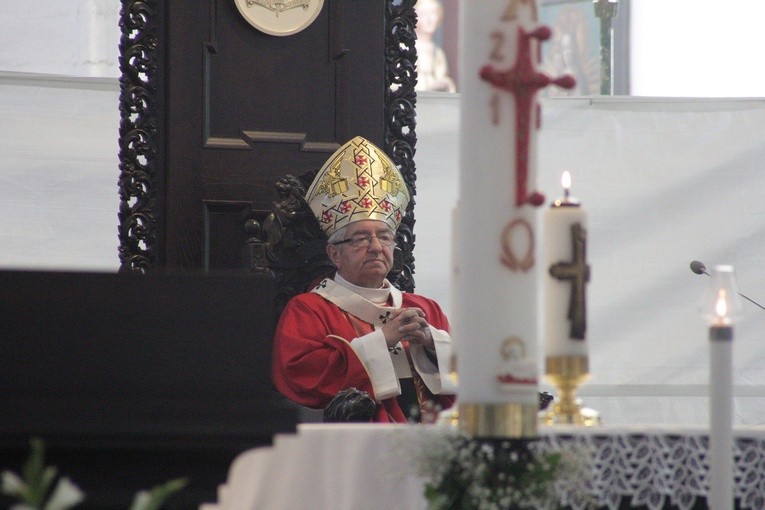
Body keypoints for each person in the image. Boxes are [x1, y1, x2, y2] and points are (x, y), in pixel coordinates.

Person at [272, 136, 456, 423]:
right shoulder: (309, 309)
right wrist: (382, 340)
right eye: (360, 238)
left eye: (384, 236)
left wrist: (433, 343)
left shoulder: (425, 309)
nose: (376, 246)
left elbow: (467, 384)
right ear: (334, 254)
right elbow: (302, 378)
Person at [414, 0, 456, 92]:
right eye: (423, 14)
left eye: (433, 13)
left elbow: (440, 78)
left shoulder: (437, 53)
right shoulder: (406, 48)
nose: (429, 19)